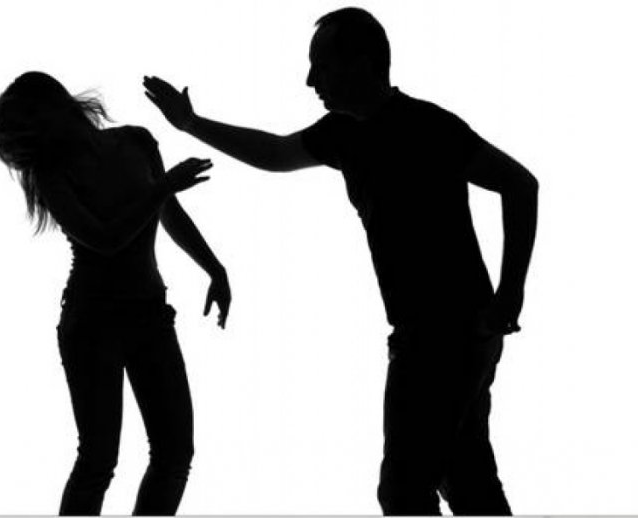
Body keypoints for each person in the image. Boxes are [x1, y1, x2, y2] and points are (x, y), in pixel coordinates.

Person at [143, 7, 537, 515]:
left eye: (322, 66)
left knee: (405, 491)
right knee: (466, 479)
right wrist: (191, 123)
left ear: (363, 63)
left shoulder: (429, 126)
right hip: (434, 332)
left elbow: (520, 184)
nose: (311, 81)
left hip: (451, 332)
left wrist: (510, 293)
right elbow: (276, 153)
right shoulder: (341, 133)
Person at [0, 71, 231, 516]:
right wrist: (162, 188)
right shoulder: (50, 173)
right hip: (92, 322)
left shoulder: (136, 140)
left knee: (174, 453)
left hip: (150, 314)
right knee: (98, 460)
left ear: (58, 105)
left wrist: (215, 267)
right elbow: (105, 240)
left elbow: (169, 213)